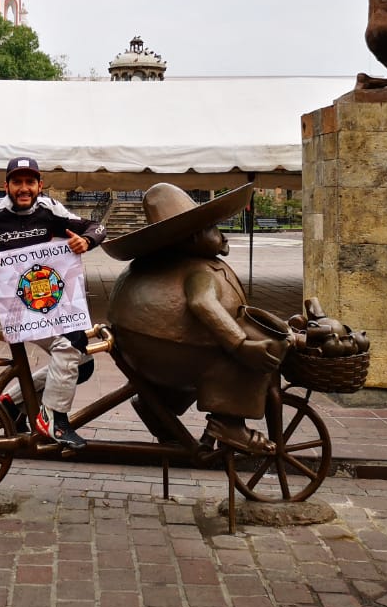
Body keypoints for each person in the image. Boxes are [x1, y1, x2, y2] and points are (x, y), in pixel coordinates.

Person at [105, 183, 295, 455]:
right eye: (214, 229)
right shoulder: (198, 272)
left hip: (149, 348)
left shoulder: (169, 263)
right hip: (169, 350)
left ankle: (158, 405)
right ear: (193, 237)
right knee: (239, 362)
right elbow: (202, 303)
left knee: (212, 355)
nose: (223, 236)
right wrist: (241, 345)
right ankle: (229, 424)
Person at [0, 157, 107, 450]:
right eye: (17, 182)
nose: (24, 188)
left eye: (30, 182)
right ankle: (52, 420)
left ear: (39, 185)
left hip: (42, 301)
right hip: (1, 305)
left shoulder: (49, 210)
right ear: (6, 185)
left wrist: (86, 241)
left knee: (82, 363)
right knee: (68, 346)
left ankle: (12, 402)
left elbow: (97, 227)